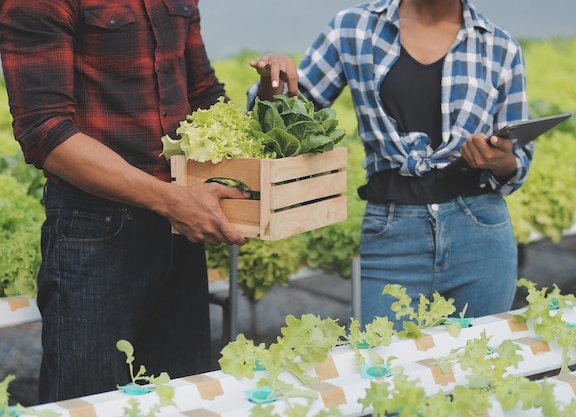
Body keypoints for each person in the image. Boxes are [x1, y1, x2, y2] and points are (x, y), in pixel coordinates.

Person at [0, 0, 256, 403]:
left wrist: (268, 122)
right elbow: (45, 132)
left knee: (181, 397)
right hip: (95, 231)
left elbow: (202, 91)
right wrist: (173, 200)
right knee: (88, 402)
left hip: (179, 229)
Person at [249, 0, 532, 327]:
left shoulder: (500, 47)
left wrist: (501, 160)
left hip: (481, 235)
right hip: (391, 235)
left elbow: (518, 161)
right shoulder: (353, 28)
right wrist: (273, 84)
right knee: (379, 369)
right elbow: (287, 117)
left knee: (480, 371)